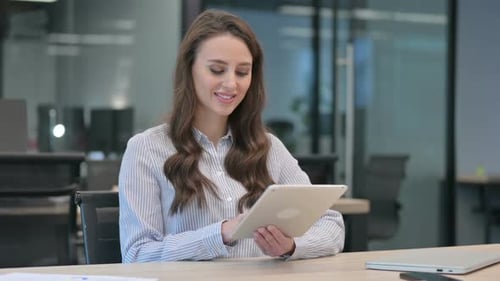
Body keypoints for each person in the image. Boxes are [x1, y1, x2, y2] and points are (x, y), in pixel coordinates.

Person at [119, 9, 345, 263]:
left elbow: (332, 225)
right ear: (189, 69)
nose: (231, 84)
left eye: (242, 72)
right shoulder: (146, 149)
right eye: (217, 70)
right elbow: (137, 254)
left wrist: (291, 246)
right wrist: (220, 233)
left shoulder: (268, 147)